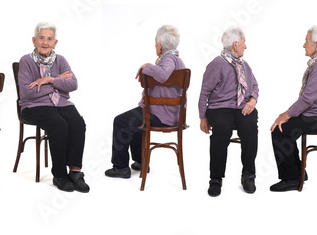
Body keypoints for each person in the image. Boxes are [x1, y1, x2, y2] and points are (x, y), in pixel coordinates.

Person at [104, 25, 187, 180]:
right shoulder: (178, 60)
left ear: (160, 46)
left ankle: (121, 168)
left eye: (155, 43)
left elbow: (162, 75)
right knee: (136, 119)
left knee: (120, 121)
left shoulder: (168, 59)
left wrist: (146, 66)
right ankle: (141, 162)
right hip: (173, 115)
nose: (155, 46)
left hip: (163, 115)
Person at [17, 22, 89, 193]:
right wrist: (58, 81)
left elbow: (73, 84)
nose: (45, 42)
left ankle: (75, 172)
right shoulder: (26, 61)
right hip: (34, 106)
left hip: (61, 103)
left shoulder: (60, 60)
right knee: (59, 124)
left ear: (55, 43)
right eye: (41, 38)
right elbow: (27, 93)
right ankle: (59, 175)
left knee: (78, 123)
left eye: (49, 39)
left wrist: (48, 80)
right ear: (34, 40)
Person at [268, 24, 317, 192]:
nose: (303, 45)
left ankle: (291, 179)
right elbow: (308, 98)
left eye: (306, 41)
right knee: (284, 127)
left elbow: (307, 99)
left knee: (280, 129)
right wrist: (287, 114)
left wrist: (285, 115)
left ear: (316, 45)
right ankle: (299, 172)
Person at [199, 26, 259, 196]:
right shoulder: (216, 64)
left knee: (249, 128)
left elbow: (255, 86)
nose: (245, 46)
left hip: (242, 107)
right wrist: (202, 116)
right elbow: (204, 93)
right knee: (222, 130)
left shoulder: (244, 65)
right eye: (243, 43)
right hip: (220, 108)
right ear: (235, 45)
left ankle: (248, 175)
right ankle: (215, 179)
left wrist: (253, 100)